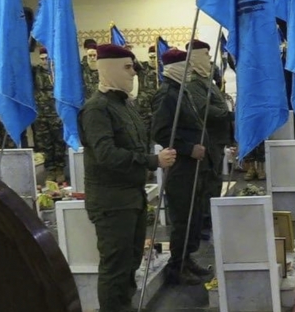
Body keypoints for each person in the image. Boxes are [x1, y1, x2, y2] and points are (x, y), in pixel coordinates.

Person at [78, 44, 176, 312]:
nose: (133, 73)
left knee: (131, 261)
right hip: (111, 201)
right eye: (128, 67)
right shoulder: (97, 109)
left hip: (131, 196)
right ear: (110, 68)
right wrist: (152, 161)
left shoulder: (123, 104)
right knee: (115, 266)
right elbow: (106, 154)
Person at [151, 49, 214, 285]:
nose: (189, 70)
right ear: (174, 68)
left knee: (193, 215)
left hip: (193, 165)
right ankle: (177, 266)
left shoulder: (180, 91)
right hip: (181, 165)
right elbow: (160, 132)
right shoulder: (166, 95)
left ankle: (187, 259)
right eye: (185, 66)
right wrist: (188, 148)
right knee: (183, 218)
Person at [185, 39, 232, 237]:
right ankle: (204, 223)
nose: (209, 58)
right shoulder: (193, 83)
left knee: (214, 181)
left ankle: (210, 219)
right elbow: (204, 110)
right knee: (206, 183)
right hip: (207, 139)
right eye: (205, 54)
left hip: (216, 139)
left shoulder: (206, 80)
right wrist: (228, 114)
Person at [32, 47, 67, 182]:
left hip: (56, 113)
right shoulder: (35, 71)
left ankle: (60, 169)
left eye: (46, 58)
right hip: (41, 114)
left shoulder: (57, 72)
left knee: (59, 143)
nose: (44, 61)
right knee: (45, 144)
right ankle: (50, 170)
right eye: (41, 59)